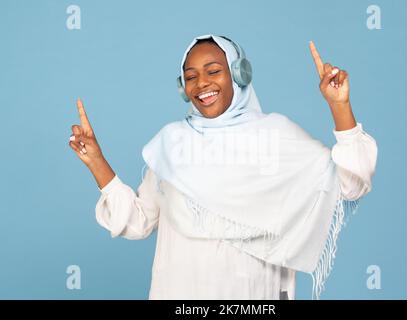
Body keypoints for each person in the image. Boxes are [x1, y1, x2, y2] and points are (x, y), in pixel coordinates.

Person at [68, 34, 378, 300]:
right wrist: (97, 162)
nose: (201, 83)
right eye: (190, 76)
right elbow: (138, 222)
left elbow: (351, 184)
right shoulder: (173, 145)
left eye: (213, 71)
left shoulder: (276, 137)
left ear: (238, 74)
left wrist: (339, 106)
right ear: (183, 87)